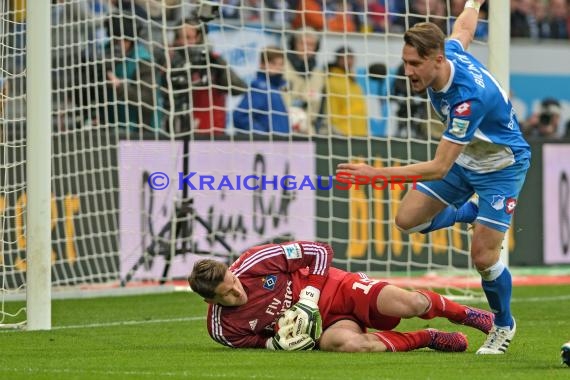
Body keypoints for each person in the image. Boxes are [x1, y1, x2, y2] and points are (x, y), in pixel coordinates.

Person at [337, 0, 530, 354]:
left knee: (484, 259)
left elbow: (438, 167)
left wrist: (375, 174)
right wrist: (474, 2)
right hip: (466, 158)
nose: (408, 71)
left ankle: (502, 325)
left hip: (501, 167)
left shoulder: (467, 101)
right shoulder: (450, 49)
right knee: (406, 220)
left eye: (415, 64)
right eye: (405, 62)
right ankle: (469, 213)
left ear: (437, 60)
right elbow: (465, 28)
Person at [189, 240, 494, 352]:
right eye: (226, 294)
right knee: (350, 346)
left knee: (412, 303)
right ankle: (428, 338)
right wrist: (279, 343)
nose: (237, 290)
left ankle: (468, 315)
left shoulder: (253, 261)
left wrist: (309, 295)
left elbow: (321, 250)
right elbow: (259, 343)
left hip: (340, 289)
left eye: (232, 280)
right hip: (325, 328)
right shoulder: (223, 330)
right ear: (210, 302)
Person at [165, 16, 247, 136]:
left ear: (199, 38)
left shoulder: (212, 61)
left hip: (212, 132)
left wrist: (217, 66)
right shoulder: (170, 63)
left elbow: (239, 88)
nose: (185, 43)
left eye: (189, 37)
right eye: (181, 37)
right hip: (177, 131)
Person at [233, 46, 290, 134]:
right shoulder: (260, 88)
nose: (278, 68)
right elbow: (239, 117)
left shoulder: (278, 87)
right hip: (269, 145)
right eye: (273, 63)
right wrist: (263, 136)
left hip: (283, 144)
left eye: (281, 64)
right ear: (262, 64)